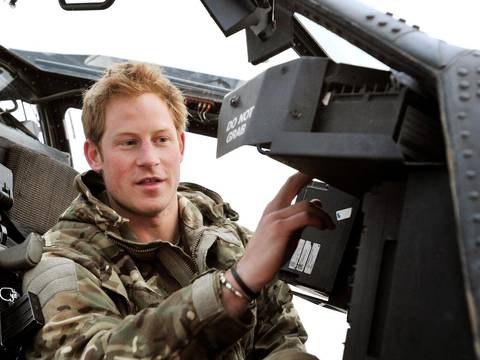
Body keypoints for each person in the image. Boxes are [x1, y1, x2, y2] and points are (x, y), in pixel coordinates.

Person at [23, 62, 334, 359]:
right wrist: (234, 288)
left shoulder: (229, 235)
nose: (149, 158)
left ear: (180, 146)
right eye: (129, 143)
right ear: (95, 155)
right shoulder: (63, 264)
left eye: (161, 139)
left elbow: (283, 338)